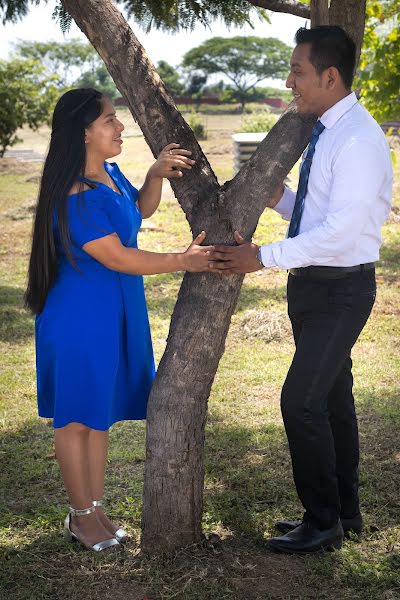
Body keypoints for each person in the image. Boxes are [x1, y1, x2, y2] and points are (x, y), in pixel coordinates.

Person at [209, 26, 393, 554]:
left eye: (298, 71)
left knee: (300, 401)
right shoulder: (328, 130)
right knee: (334, 400)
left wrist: (261, 256)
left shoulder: (357, 138)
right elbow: (320, 217)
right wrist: (281, 199)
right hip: (312, 287)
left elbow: (342, 233)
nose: (290, 81)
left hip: (340, 291)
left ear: (330, 76)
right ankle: (345, 514)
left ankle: (322, 522)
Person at [25, 88, 214, 552]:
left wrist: (152, 175)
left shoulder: (107, 175)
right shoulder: (76, 195)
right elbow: (118, 257)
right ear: (84, 132)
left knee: (99, 416)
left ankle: (94, 508)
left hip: (110, 316)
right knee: (75, 420)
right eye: (110, 119)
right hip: (79, 320)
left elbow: (138, 212)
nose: (120, 126)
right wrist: (181, 260)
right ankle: (80, 516)